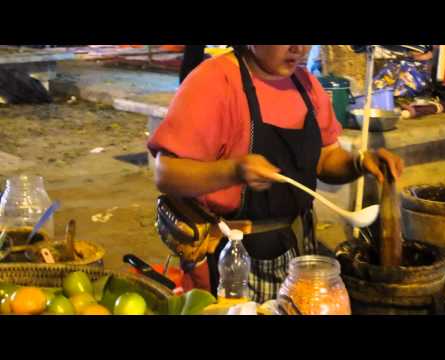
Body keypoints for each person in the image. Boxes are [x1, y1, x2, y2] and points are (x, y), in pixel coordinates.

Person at [148, 45, 404, 304]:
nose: (299, 49)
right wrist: (233, 170)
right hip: (232, 262)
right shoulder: (213, 83)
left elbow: (324, 158)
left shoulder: (306, 85)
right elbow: (167, 174)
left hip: (298, 250)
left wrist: (359, 162)